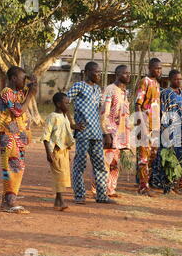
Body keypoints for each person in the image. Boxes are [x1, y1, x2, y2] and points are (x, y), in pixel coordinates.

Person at [67, 62, 116, 205]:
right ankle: (80, 195)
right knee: (80, 165)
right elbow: (63, 101)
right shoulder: (79, 86)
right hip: (83, 133)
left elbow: (100, 113)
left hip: (96, 133)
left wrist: (105, 132)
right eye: (97, 72)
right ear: (87, 72)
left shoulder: (97, 89)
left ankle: (101, 195)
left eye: (100, 72)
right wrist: (72, 124)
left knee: (100, 165)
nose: (99, 75)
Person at [151, 70, 182, 194]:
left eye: (180, 79)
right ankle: (168, 185)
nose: (178, 81)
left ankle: (180, 184)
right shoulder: (165, 93)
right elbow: (163, 111)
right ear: (171, 79)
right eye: (176, 79)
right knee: (170, 157)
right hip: (170, 129)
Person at [0, 66, 37, 214]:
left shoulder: (19, 92)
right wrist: (30, 95)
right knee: (12, 167)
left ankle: (7, 200)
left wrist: (33, 84)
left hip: (18, 135)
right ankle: (10, 201)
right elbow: (18, 110)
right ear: (14, 78)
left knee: (15, 167)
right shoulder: (6, 93)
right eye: (23, 78)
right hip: (8, 135)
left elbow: (31, 89)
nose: (24, 81)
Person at [99, 65, 132, 199]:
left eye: (129, 73)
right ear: (117, 74)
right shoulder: (110, 90)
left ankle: (111, 189)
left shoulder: (124, 92)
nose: (128, 75)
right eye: (125, 73)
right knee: (105, 162)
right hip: (110, 133)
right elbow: (104, 113)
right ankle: (99, 190)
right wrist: (106, 133)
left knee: (115, 163)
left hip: (120, 134)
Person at [41, 92, 76, 211]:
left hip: (64, 151)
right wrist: (48, 153)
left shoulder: (64, 116)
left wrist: (69, 153)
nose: (68, 105)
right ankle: (61, 201)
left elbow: (67, 132)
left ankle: (57, 202)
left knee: (64, 175)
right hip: (55, 151)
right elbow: (46, 136)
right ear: (58, 104)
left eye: (68, 103)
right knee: (59, 175)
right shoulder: (52, 117)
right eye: (66, 103)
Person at [135, 58, 162, 197]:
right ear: (150, 68)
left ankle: (146, 183)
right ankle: (143, 187)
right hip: (145, 125)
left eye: (160, 68)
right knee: (143, 158)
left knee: (152, 156)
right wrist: (142, 126)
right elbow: (138, 104)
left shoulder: (157, 83)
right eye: (156, 68)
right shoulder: (145, 81)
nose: (159, 71)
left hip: (155, 126)